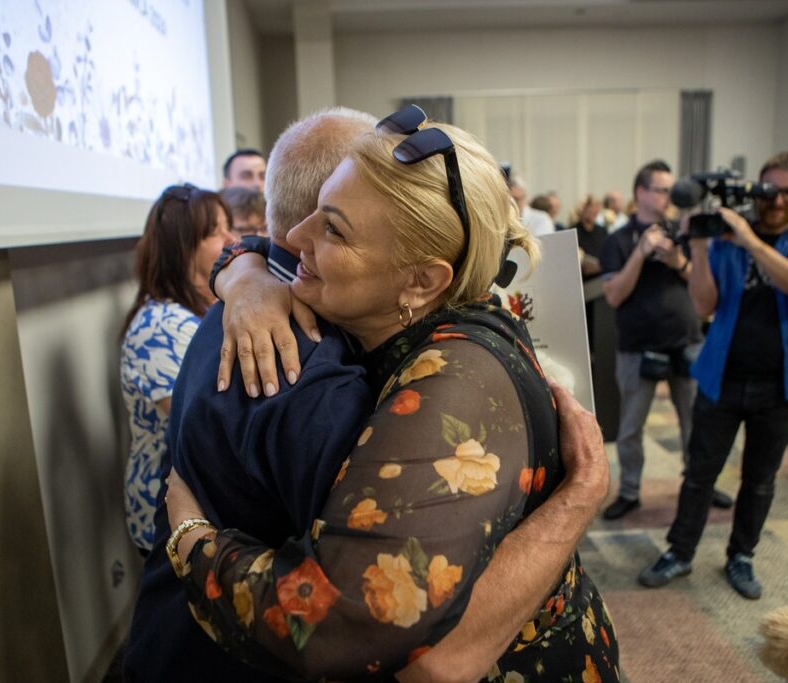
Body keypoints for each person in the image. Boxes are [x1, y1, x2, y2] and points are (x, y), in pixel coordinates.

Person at [125, 109, 612, 682]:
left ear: (421, 280)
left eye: (332, 227)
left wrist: (190, 535)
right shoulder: (357, 324)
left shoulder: (442, 383)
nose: (295, 238)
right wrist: (244, 268)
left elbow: (394, 646)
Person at [638, 151, 788, 600]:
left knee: (760, 478)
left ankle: (741, 556)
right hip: (721, 377)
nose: (776, 200)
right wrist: (703, 248)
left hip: (783, 383)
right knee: (699, 474)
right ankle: (680, 552)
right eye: (769, 189)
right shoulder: (724, 241)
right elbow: (705, 305)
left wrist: (749, 240)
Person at [599, 160, 729, 520]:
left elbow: (703, 289)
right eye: (661, 189)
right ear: (640, 192)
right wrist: (641, 253)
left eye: (672, 189)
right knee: (630, 428)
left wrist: (678, 261)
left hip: (686, 340)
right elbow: (614, 296)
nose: (669, 196)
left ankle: (700, 482)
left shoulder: (687, 234)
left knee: (696, 421)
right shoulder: (619, 240)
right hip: (637, 345)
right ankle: (629, 491)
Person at [119, 185, 237, 552]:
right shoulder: (162, 326)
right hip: (167, 509)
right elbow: (204, 428)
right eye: (216, 232)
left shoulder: (198, 310)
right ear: (184, 247)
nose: (231, 239)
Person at [569, 194, 608, 279]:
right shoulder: (572, 232)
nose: (594, 211)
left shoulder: (602, 231)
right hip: (582, 278)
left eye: (596, 209)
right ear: (582, 209)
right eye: (590, 209)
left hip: (600, 277)